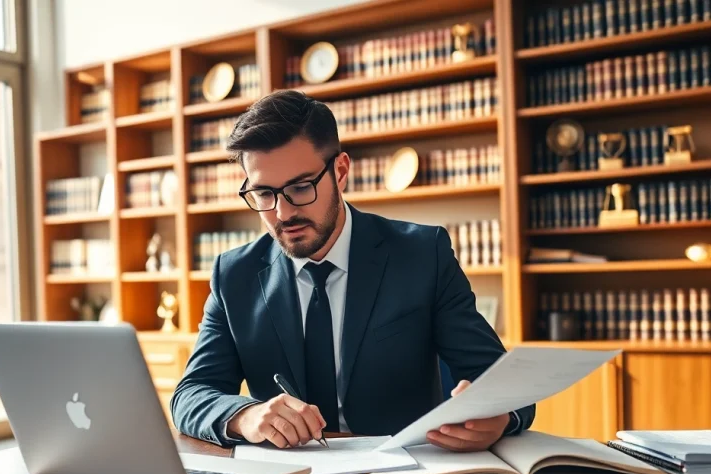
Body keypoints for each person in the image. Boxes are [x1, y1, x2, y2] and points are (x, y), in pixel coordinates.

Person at [170, 90, 534, 452]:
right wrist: (246, 416)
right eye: (264, 193)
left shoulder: (423, 255)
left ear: (341, 171)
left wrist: (499, 416)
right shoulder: (235, 275)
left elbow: (506, 384)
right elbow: (190, 395)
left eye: (300, 187)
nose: (282, 213)